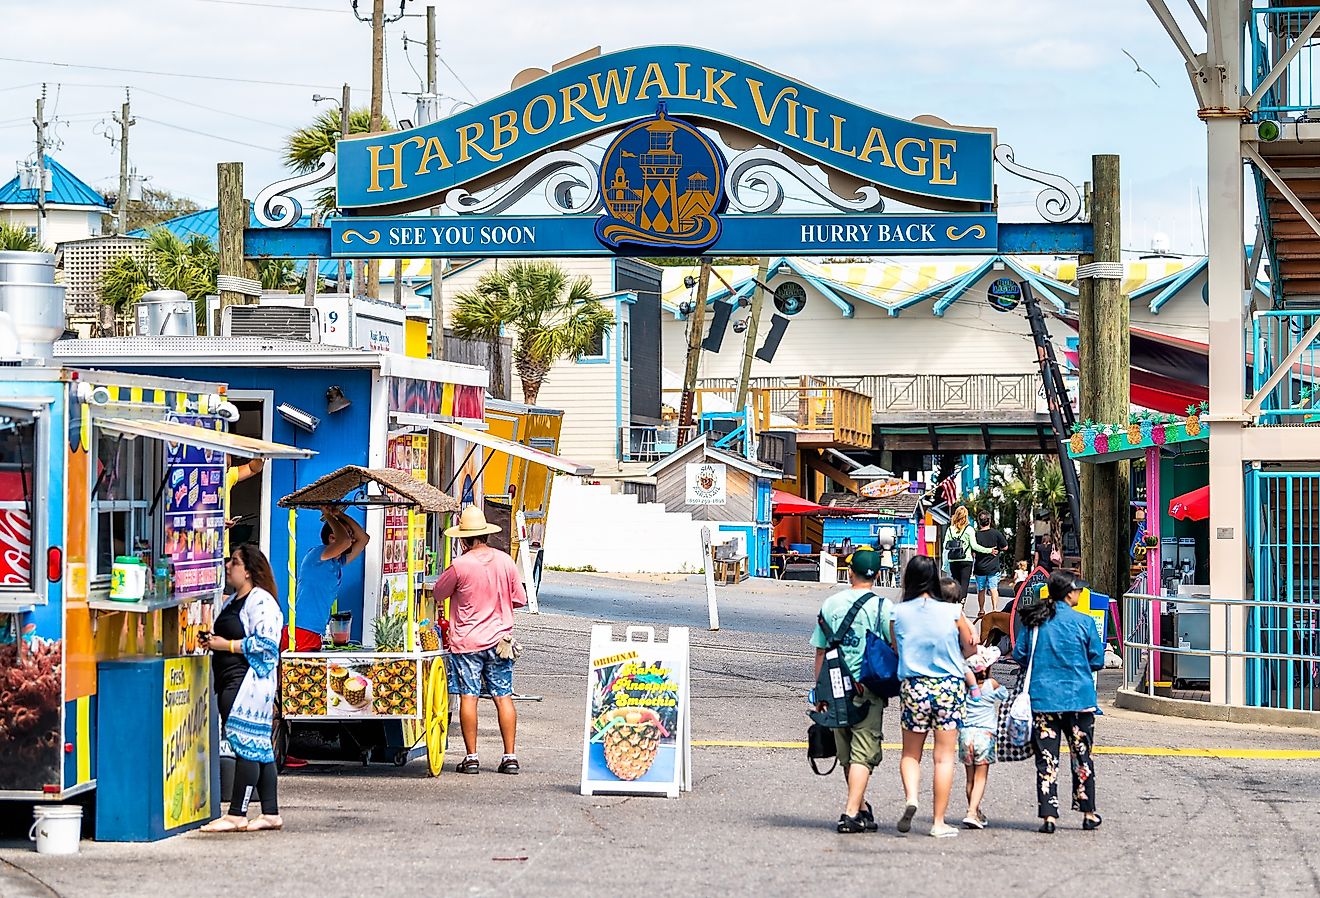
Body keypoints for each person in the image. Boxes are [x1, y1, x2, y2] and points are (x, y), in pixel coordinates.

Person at [432, 505, 527, 775]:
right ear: (485, 534)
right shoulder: (506, 561)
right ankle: (510, 757)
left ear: (463, 539)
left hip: (467, 643)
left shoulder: (459, 565)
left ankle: (471, 757)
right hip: (500, 641)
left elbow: (439, 593)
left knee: (469, 698)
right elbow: (519, 598)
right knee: (503, 697)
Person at [889, 555, 977, 838]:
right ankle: (938, 822)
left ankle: (912, 797)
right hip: (949, 687)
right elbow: (971, 646)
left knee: (911, 754)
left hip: (914, 687)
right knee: (943, 758)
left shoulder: (898, 613)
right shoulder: (952, 612)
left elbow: (896, 648)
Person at [1013, 569, 1106, 834]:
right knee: (1082, 756)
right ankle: (1088, 812)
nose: (1081, 593)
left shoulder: (1035, 622)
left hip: (1043, 699)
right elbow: (1097, 660)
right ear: (1068, 593)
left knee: (1047, 758)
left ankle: (1048, 816)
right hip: (1079, 699)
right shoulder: (1084, 622)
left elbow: (1020, 654)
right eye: (1078, 589)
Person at [809, 548, 894, 834]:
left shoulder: (830, 604)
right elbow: (893, 648)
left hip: (834, 688)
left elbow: (821, 651)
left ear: (849, 573)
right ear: (878, 575)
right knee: (863, 753)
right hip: (868, 687)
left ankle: (861, 808)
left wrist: (819, 693)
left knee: (847, 754)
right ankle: (850, 814)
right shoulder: (883, 607)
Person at [200, 543, 284, 832]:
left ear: (247, 571)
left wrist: (227, 645)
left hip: (247, 682)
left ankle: (237, 813)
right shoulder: (234, 600)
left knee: (245, 744)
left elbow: (267, 644)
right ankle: (270, 812)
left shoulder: (261, 601)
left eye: (233, 562)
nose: (227, 566)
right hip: (230, 678)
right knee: (259, 746)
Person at [283, 506, 369, 652]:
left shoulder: (337, 561)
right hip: (301, 629)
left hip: (315, 632)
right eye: (348, 534)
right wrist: (328, 516)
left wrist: (339, 514)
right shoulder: (317, 555)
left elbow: (363, 539)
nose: (352, 538)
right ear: (332, 538)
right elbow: (345, 542)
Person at [959, 645, 1008, 829]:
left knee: (970, 779)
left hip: (965, 735)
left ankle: (975, 811)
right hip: (984, 735)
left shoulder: (963, 687)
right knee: (981, 777)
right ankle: (972, 812)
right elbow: (1004, 694)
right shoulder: (991, 684)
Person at [943, 506, 992, 603]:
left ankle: (954, 602)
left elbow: (945, 545)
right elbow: (974, 546)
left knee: (956, 583)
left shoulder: (950, 529)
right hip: (966, 560)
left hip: (953, 560)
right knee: (964, 585)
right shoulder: (969, 529)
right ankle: (961, 605)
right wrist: (988, 550)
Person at [972, 511, 1007, 620]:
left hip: (980, 567)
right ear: (990, 521)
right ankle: (995, 609)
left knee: (981, 590)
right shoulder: (996, 533)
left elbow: (973, 552)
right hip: (993, 567)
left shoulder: (976, 535)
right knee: (993, 589)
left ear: (979, 522)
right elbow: (1005, 547)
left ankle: (981, 610)